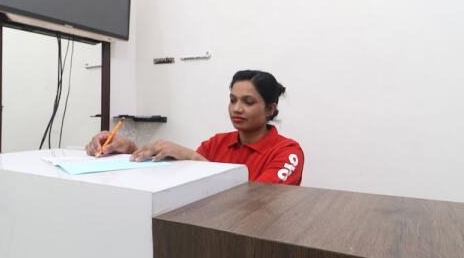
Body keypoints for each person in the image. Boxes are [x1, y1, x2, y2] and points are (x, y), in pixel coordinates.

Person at [85, 70, 304, 185]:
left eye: (248, 102)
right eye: (232, 100)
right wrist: (130, 150)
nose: (237, 109)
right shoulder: (218, 142)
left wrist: (192, 156)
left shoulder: (288, 152)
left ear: (270, 109)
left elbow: (258, 199)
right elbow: (184, 179)